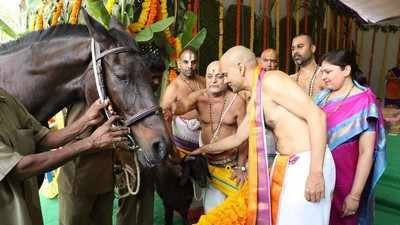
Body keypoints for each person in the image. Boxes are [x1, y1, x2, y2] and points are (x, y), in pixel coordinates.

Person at [191, 46, 335, 225]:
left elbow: (317, 116)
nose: (225, 80)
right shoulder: (256, 95)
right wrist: (203, 149)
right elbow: (238, 138)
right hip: (287, 164)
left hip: (308, 163)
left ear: (241, 68)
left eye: (226, 74)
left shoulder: (271, 80)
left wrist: (315, 173)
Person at [0, 87, 128, 225]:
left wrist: (86, 119)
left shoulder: (5, 97)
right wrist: (91, 142)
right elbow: (20, 168)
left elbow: (42, 138)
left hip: (29, 207)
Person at [315, 50, 387, 225]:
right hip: (320, 175)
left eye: (328, 72)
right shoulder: (322, 98)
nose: (323, 77)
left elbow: (366, 152)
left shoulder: (365, 102)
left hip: (345, 178)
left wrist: (355, 195)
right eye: (321, 72)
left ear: (346, 70)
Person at [172, 61, 247, 212]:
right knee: (212, 215)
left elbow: (244, 138)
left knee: (235, 214)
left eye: (218, 76)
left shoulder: (237, 101)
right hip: (208, 168)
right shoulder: (199, 98)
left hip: (232, 168)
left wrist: (241, 167)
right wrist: (172, 103)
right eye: (209, 76)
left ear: (225, 78)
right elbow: (180, 107)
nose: (213, 80)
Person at [161, 47, 205, 156]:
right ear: (179, 63)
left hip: (205, 133)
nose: (190, 66)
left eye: (193, 62)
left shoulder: (204, 81)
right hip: (184, 139)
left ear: (197, 63)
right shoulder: (174, 87)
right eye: (186, 62)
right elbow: (164, 117)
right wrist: (172, 145)